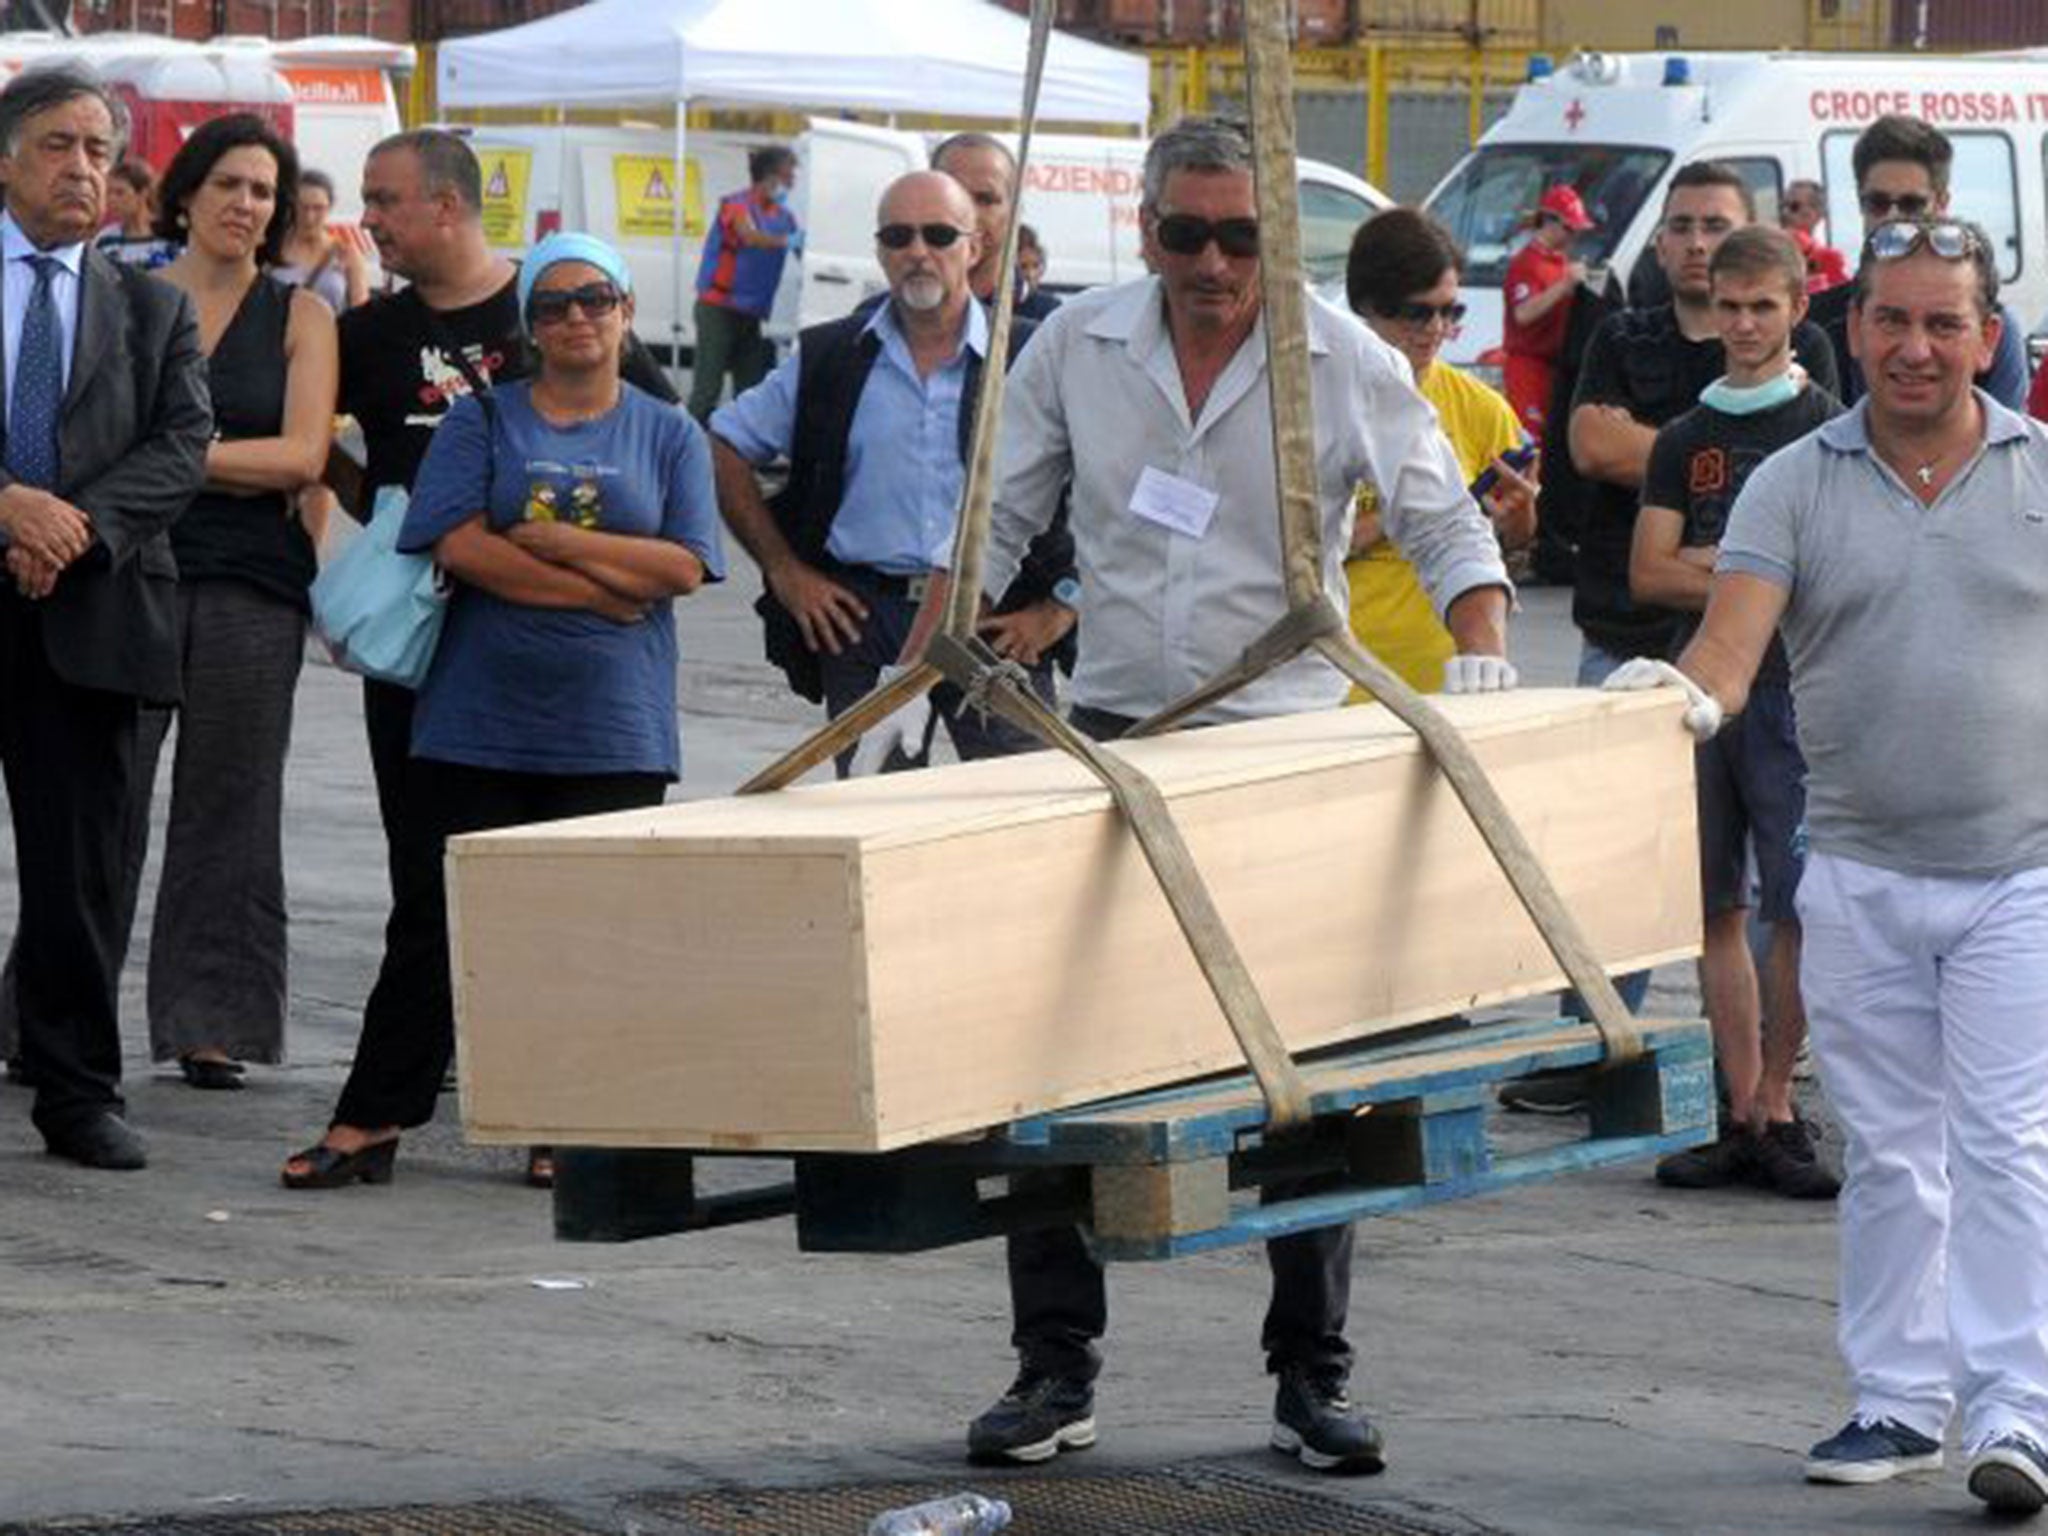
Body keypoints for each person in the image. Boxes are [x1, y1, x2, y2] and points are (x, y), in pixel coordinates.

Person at [969, 114, 1513, 1474]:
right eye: (1184, 234)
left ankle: (1311, 1378)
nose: (1211, 263)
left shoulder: (1342, 356)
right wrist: (950, 621)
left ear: (1280, 234)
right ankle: (1054, 1373)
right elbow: (994, 505)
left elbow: (1443, 514)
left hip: (1278, 746)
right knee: (1054, 1062)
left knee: (1303, 1078)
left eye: (1240, 236)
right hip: (1110, 739)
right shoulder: (1080, 342)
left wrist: (1485, 652)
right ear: (1145, 230)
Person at [1609, 216, 2048, 1517]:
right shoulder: (1790, 484)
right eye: (1893, 321)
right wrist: (1670, 706)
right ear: (1850, 329)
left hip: (2020, 879)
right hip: (1853, 878)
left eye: (1944, 323)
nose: (1916, 348)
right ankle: (1898, 1403)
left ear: (1987, 334)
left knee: (2009, 1145)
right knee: (1896, 1150)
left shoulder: (2040, 476)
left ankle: (2018, 1411)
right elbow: (1730, 656)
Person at [281, 233, 723, 1191]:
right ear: (529, 327)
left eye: (594, 299)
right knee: (435, 923)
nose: (575, 318)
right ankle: (371, 1120)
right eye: (554, 304)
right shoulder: (482, 421)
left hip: (612, 724)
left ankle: (564, 1125)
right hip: (475, 713)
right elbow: (452, 546)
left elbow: (685, 564)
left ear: (626, 313)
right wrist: (602, 591)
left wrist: (552, 534)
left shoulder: (667, 432)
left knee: (584, 927)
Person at [0, 65, 212, 1169]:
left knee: (80, 871)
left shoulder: (153, 307)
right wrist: (6, 507)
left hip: (91, 614)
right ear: (4, 160)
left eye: (97, 150)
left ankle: (76, 1091)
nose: (82, 169)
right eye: (55, 145)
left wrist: (68, 529)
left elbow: (182, 446)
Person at [710, 171, 1073, 773]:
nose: (918, 252)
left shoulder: (1033, 355)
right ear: (880, 251)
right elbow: (724, 442)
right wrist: (784, 571)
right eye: (899, 236)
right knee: (874, 812)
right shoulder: (831, 355)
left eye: (939, 235)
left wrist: (1063, 605)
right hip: (862, 624)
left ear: (976, 248)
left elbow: (1110, 482)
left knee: (1032, 808)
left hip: (995, 624)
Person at [1625, 225, 1837, 1199]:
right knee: (1714, 903)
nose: (1744, 325)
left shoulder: (1828, 428)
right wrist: (1749, 567)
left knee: (1793, 906)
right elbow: (1646, 569)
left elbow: (1829, 576)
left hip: (1798, 693)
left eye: (1763, 306)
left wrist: (1718, 569)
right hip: (1698, 696)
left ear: (1797, 309)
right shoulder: (1684, 436)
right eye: (1728, 306)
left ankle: (1776, 1104)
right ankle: (1733, 1104)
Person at [130, 116, 336, 1090]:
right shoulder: (125, 301)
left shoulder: (301, 317)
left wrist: (169, 459)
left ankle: (214, 1023)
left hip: (253, 586)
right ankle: (43, 1010)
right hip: (126, 572)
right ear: (186, 194)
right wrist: (218, 468)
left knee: (233, 807)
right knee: (97, 799)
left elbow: (301, 458)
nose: (245, 204)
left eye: (263, 190)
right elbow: (88, 444)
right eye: (228, 184)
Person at [1343, 207, 1533, 693]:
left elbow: (1511, 554)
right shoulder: (1313, 399)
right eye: (1417, 311)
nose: (1436, 328)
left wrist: (1517, 518)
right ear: (1364, 304)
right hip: (1329, 684)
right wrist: (1412, 511)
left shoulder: (1483, 409)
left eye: (1451, 310)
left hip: (1441, 680)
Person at [1807, 115, 2028, 408]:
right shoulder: (1816, 323)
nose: (1892, 218)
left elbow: (2005, 443)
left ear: (1942, 204)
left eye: (1911, 204)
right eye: (1878, 203)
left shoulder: (1990, 327)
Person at [686, 145, 798, 424]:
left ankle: (734, 457)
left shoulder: (784, 217)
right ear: (770, 177)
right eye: (788, 176)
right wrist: (787, 241)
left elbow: (805, 252)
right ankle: (681, 452)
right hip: (718, 308)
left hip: (750, 313)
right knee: (707, 388)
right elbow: (748, 236)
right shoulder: (736, 205)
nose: (792, 182)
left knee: (749, 391)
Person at [930, 131, 1059, 322]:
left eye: (985, 199)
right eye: (954, 196)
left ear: (1015, 210)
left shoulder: (1051, 323)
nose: (968, 213)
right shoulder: (882, 319)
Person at [1501, 183, 1591, 443]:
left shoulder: (1559, 262)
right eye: (1569, 229)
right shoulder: (1526, 263)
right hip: (1528, 367)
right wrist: (1565, 285)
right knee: (1529, 441)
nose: (1573, 237)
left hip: (1553, 365)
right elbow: (1523, 314)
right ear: (1550, 223)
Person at [273, 167, 369, 314]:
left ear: (329, 207)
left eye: (318, 208)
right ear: (292, 206)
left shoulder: (347, 254)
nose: (309, 217)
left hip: (331, 335)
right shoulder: (273, 249)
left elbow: (361, 314)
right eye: (303, 207)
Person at [93, 157, 175, 271]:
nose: (111, 199)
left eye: (120, 193)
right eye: (108, 192)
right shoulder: (105, 240)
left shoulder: (170, 238)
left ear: (143, 193)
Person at [1780, 181, 1849, 293]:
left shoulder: (1829, 258)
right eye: (1783, 206)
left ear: (1816, 213)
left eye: (1794, 206)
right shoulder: (1771, 248)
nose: (1785, 212)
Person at [1016, 222, 1047, 298]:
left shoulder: (1052, 306)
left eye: (1036, 266)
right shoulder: (986, 307)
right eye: (1023, 267)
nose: (1030, 275)